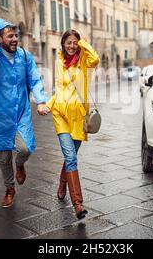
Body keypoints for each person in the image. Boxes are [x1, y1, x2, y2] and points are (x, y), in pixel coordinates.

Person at [0, 18, 49, 208]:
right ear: (0, 39)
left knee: (24, 148)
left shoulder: (24, 56)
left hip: (21, 113)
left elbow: (34, 79)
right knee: (3, 157)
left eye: (15, 35)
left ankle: (20, 165)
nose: (15, 39)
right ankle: (9, 189)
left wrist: (40, 100)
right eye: (10, 36)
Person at [46, 29, 100, 219]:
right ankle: (78, 204)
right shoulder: (59, 61)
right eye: (68, 42)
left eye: (74, 43)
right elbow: (59, 90)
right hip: (61, 116)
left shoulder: (84, 60)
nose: (71, 46)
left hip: (78, 119)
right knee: (70, 157)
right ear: (62, 44)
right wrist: (48, 105)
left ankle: (62, 184)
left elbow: (96, 59)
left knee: (70, 157)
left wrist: (83, 43)